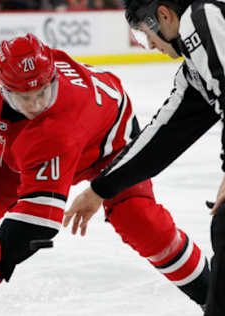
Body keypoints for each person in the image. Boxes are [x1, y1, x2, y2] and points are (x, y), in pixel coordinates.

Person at [0, 33, 210, 311]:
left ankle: (213, 295)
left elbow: (39, 222)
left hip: (109, 143)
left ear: (54, 80)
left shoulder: (56, 130)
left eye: (43, 92)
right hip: (35, 139)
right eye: (25, 97)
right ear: (3, 88)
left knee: (140, 221)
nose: (36, 104)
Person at [63, 0, 225, 314]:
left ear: (164, 15)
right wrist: (101, 189)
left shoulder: (201, 17)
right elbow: (160, 136)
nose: (149, 45)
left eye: (145, 34)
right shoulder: (194, 68)